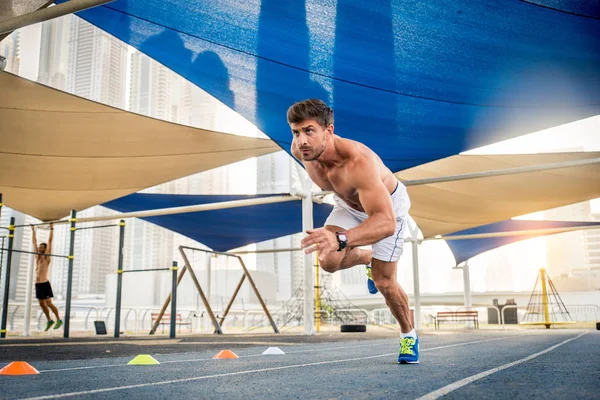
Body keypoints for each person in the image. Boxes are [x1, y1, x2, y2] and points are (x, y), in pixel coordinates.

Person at [289, 99, 418, 364]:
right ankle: (365, 257)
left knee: (385, 283)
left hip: (387, 208)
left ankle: (409, 334)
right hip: (347, 204)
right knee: (328, 260)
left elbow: (386, 223)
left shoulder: (358, 162)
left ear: (329, 130)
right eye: (296, 132)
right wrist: (337, 242)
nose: (302, 140)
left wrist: (341, 238)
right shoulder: (300, 151)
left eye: (309, 131)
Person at [31, 223, 62, 331]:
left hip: (44, 283)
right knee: (42, 304)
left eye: (41, 247)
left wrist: (52, 228)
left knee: (49, 303)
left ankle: (58, 319)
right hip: (38, 284)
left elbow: (50, 242)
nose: (39, 248)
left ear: (45, 249)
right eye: (39, 247)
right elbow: (34, 243)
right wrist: (33, 231)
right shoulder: (37, 257)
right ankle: (49, 320)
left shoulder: (46, 258)